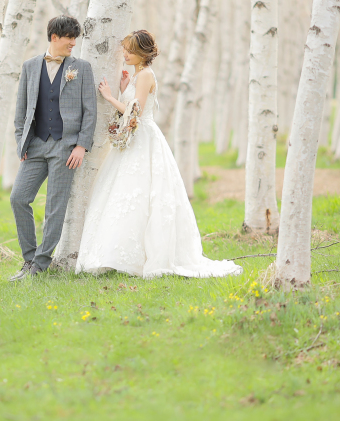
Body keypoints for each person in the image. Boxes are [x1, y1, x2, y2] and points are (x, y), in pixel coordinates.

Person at [75, 30, 242, 279]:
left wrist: (110, 97)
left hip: (144, 140)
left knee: (141, 194)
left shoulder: (145, 75)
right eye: (125, 50)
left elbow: (136, 114)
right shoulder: (136, 76)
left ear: (143, 53)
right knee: (124, 194)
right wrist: (123, 89)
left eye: (131, 51)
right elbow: (132, 105)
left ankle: (140, 257)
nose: (126, 54)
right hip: (134, 140)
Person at [8, 16, 97, 281]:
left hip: (65, 147)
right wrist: (20, 142)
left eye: (75, 37)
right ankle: (28, 258)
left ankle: (41, 265)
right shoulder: (30, 66)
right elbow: (21, 110)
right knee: (18, 198)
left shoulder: (81, 68)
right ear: (54, 37)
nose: (73, 42)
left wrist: (81, 145)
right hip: (34, 145)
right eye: (69, 37)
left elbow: (90, 112)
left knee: (55, 207)